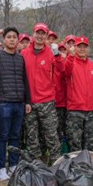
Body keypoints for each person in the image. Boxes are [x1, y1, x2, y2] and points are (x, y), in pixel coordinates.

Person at [0, 27, 31, 180]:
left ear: (18, 40)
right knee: (2, 136)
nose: (12, 39)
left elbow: (25, 80)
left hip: (18, 102)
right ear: (4, 40)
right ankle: (0, 168)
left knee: (15, 136)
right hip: (3, 102)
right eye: (9, 37)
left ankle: (13, 165)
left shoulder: (20, 58)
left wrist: (27, 101)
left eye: (14, 37)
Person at [22, 23, 60, 163]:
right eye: (38, 33)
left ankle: (55, 164)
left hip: (47, 101)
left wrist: (57, 55)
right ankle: (36, 164)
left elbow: (60, 70)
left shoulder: (51, 53)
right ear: (33, 34)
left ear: (46, 36)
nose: (40, 36)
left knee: (51, 135)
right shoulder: (25, 53)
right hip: (30, 102)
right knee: (32, 136)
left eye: (43, 33)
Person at [62, 36, 93, 152]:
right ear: (75, 48)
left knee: (91, 144)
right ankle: (75, 168)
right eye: (79, 46)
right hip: (75, 111)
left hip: (92, 111)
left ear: (88, 49)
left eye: (85, 47)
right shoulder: (70, 63)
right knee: (75, 144)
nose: (82, 49)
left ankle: (90, 168)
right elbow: (66, 71)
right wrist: (70, 56)